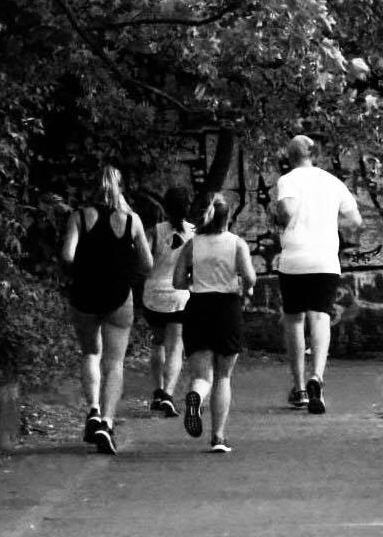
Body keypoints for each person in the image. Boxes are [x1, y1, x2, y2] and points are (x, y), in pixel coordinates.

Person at [61, 166, 152, 455]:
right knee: (115, 363)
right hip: (118, 295)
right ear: (120, 187)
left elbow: (67, 255)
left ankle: (93, 410)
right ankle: (107, 423)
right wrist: (125, 269)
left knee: (90, 353)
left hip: (85, 295)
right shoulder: (131, 220)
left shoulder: (78, 217)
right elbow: (148, 264)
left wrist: (85, 266)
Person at [270, 135, 362, 414]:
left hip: (295, 259)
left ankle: (298, 389)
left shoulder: (288, 180)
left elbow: (286, 210)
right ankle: (317, 378)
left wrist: (281, 218)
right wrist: (329, 223)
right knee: (320, 317)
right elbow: (356, 221)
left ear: (290, 154)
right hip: (325, 259)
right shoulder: (332, 182)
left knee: (295, 320)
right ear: (315, 154)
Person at [173, 193, 256, 452]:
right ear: (228, 217)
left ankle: (196, 396)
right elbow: (250, 277)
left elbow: (177, 282)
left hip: (197, 308)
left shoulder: (192, 245)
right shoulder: (237, 243)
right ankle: (218, 437)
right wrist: (245, 287)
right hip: (226, 309)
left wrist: (195, 282)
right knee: (223, 376)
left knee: (202, 375)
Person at [141, 185, 194, 417]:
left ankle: (157, 390)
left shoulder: (154, 231)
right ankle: (168, 395)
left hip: (153, 295)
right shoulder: (194, 232)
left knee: (157, 342)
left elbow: (146, 261)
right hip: (180, 297)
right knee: (175, 348)